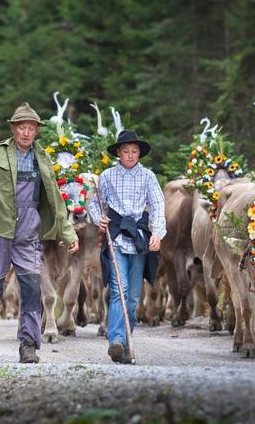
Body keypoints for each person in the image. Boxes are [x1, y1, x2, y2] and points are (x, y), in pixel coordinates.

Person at [0, 103, 79, 364]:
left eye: (31, 128)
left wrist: (68, 233)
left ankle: (28, 345)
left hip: (29, 230)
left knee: (30, 290)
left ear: (36, 131)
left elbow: (56, 199)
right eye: (22, 127)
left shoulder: (43, 158)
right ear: (14, 129)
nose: (26, 132)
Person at [89, 130, 166, 364]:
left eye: (134, 151)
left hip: (140, 238)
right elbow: (95, 204)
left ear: (139, 153)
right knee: (118, 290)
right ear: (118, 154)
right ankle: (116, 340)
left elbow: (158, 205)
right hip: (116, 237)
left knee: (133, 297)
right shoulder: (108, 176)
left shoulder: (148, 177)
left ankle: (126, 340)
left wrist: (158, 233)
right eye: (126, 151)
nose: (130, 155)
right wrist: (98, 219)